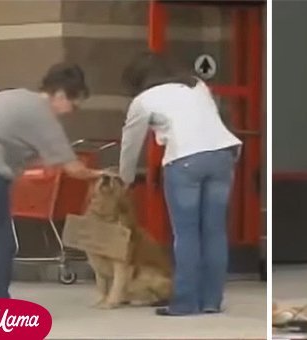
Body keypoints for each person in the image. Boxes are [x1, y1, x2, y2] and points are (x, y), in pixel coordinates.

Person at [0, 62, 104, 301]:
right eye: (73, 104)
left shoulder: (11, 95)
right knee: (1, 240)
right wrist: (102, 175)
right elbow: (74, 168)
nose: (71, 111)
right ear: (59, 94)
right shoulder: (43, 114)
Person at [119, 52, 242, 316]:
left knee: (186, 234)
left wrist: (126, 178)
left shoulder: (143, 100)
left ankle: (186, 302)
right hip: (223, 156)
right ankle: (211, 301)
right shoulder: (196, 85)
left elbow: (131, 144)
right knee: (215, 231)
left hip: (184, 160)